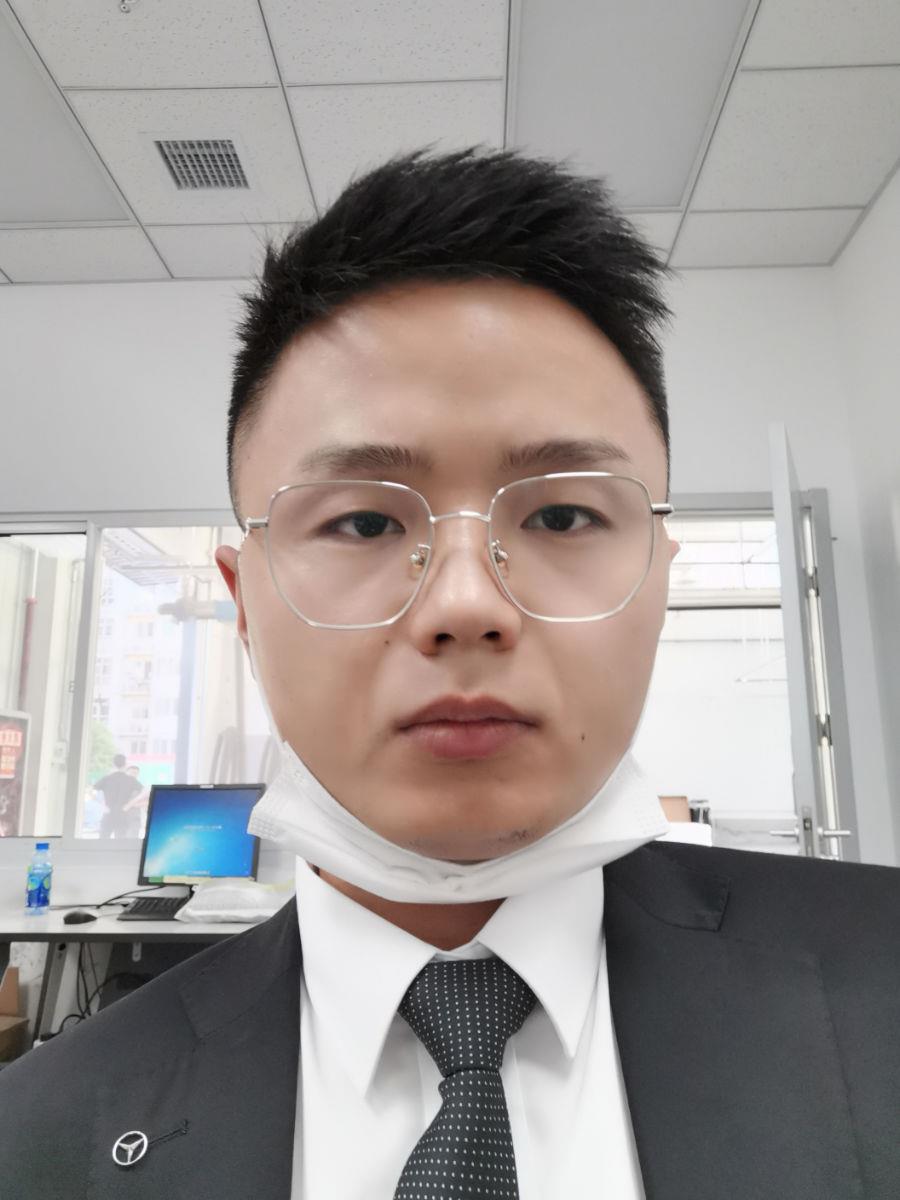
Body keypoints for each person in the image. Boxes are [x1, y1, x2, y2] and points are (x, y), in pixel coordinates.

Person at [1, 146, 897, 1198]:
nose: (466, 605)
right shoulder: (38, 1138)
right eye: (365, 522)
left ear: (659, 578)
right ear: (244, 602)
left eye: (562, 515)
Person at [93, 753, 143, 839]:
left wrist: (103, 804)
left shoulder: (107, 778)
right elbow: (145, 791)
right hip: (122, 814)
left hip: (108, 814)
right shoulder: (130, 779)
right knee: (120, 842)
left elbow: (92, 791)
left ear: (113, 764)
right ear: (125, 764)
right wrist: (129, 805)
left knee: (102, 841)